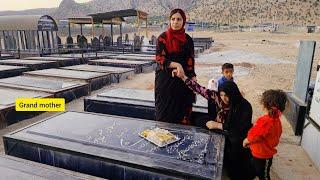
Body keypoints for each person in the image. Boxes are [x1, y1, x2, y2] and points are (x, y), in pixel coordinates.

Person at [173, 69, 253, 179]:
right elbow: (199, 89)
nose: (224, 98)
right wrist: (183, 77)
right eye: (222, 95)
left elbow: (240, 128)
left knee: (235, 169)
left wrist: (217, 125)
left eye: (227, 95)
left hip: (235, 136)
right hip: (219, 126)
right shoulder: (218, 98)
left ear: (233, 94)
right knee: (197, 119)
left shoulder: (244, 106)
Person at [155, 8, 196, 125]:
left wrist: (192, 76)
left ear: (184, 21)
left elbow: (190, 60)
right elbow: (159, 59)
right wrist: (177, 64)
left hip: (183, 80)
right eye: (173, 19)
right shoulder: (162, 38)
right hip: (165, 81)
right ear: (169, 21)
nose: (175, 22)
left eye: (179, 19)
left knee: (182, 109)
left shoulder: (188, 40)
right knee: (164, 112)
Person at [243, 90, 287, 180]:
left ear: (265, 105)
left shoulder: (266, 121)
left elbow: (255, 135)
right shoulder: (276, 121)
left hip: (263, 156)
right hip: (258, 153)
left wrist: (246, 141)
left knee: (264, 176)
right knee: (253, 170)